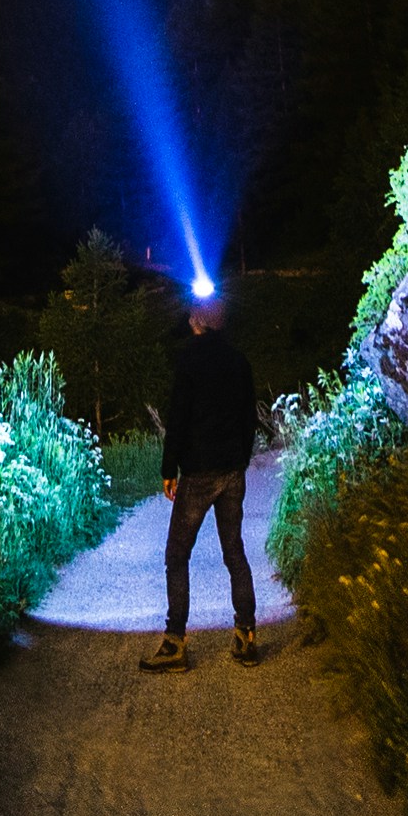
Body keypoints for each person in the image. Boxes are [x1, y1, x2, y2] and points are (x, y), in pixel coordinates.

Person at [140, 283, 260, 671]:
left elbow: (178, 418)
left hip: (199, 472)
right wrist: (241, 458)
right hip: (232, 471)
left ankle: (175, 643)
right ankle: (246, 636)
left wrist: (168, 469)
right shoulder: (239, 361)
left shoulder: (189, 359)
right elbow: (249, 417)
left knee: (177, 555)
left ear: (196, 321)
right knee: (234, 553)